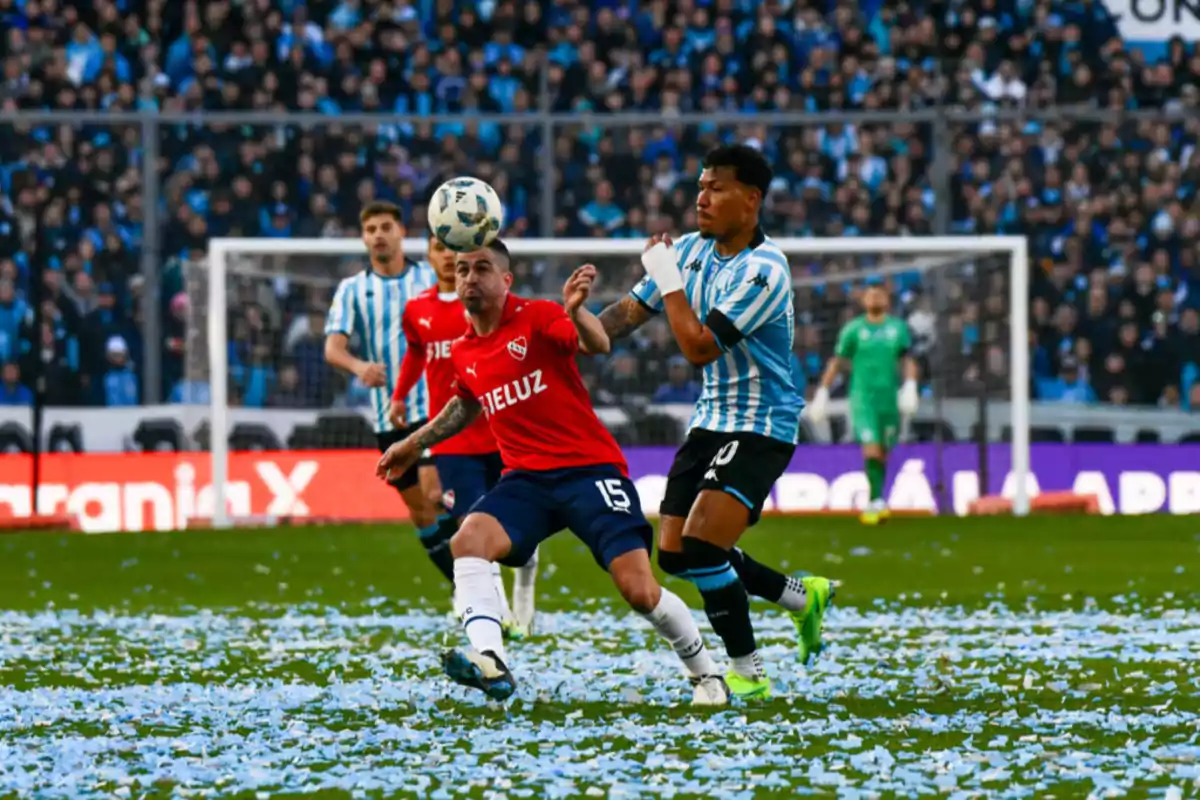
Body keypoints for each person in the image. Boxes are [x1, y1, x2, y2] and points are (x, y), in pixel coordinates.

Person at [377, 241, 730, 707]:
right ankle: (492, 660)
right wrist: (411, 443)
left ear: (506, 280)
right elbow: (465, 403)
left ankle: (706, 674)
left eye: (482, 268)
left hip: (590, 470)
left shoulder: (539, 315)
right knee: (468, 540)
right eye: (462, 269)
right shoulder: (463, 350)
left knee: (640, 591)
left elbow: (597, 343)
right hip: (526, 480)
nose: (469, 277)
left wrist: (577, 311)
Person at [566, 144, 833, 699]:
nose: (701, 198)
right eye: (700, 186)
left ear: (751, 199)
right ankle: (800, 597)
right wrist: (570, 326)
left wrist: (668, 278)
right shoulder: (687, 251)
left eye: (716, 188)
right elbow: (623, 319)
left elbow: (699, 346)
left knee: (706, 548)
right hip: (710, 420)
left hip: (762, 424)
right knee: (676, 555)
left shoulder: (766, 270)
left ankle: (748, 673)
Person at [392, 237, 539, 638]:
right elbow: (415, 354)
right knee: (472, 523)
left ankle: (524, 597)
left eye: (451, 250)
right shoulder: (416, 310)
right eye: (439, 249)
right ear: (432, 256)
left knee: (519, 526)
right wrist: (400, 395)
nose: (445, 256)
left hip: (500, 429)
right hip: (453, 439)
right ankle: (502, 615)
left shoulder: (483, 302)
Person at [324, 202, 449, 581]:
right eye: (371, 229)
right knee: (420, 511)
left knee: (433, 493)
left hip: (436, 406)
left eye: (385, 227)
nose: (378, 234)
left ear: (401, 233)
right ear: (364, 238)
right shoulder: (353, 289)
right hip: (388, 414)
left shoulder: (431, 276)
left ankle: (479, 585)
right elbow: (332, 348)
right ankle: (463, 584)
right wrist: (359, 366)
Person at [808, 284, 920, 525]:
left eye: (879, 294)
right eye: (870, 294)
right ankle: (875, 501)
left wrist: (910, 385)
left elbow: (907, 359)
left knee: (883, 451)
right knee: (870, 448)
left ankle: (877, 499)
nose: (875, 297)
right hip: (863, 398)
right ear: (864, 301)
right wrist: (822, 392)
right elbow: (837, 361)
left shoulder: (897, 329)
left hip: (889, 398)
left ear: (887, 300)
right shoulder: (854, 330)